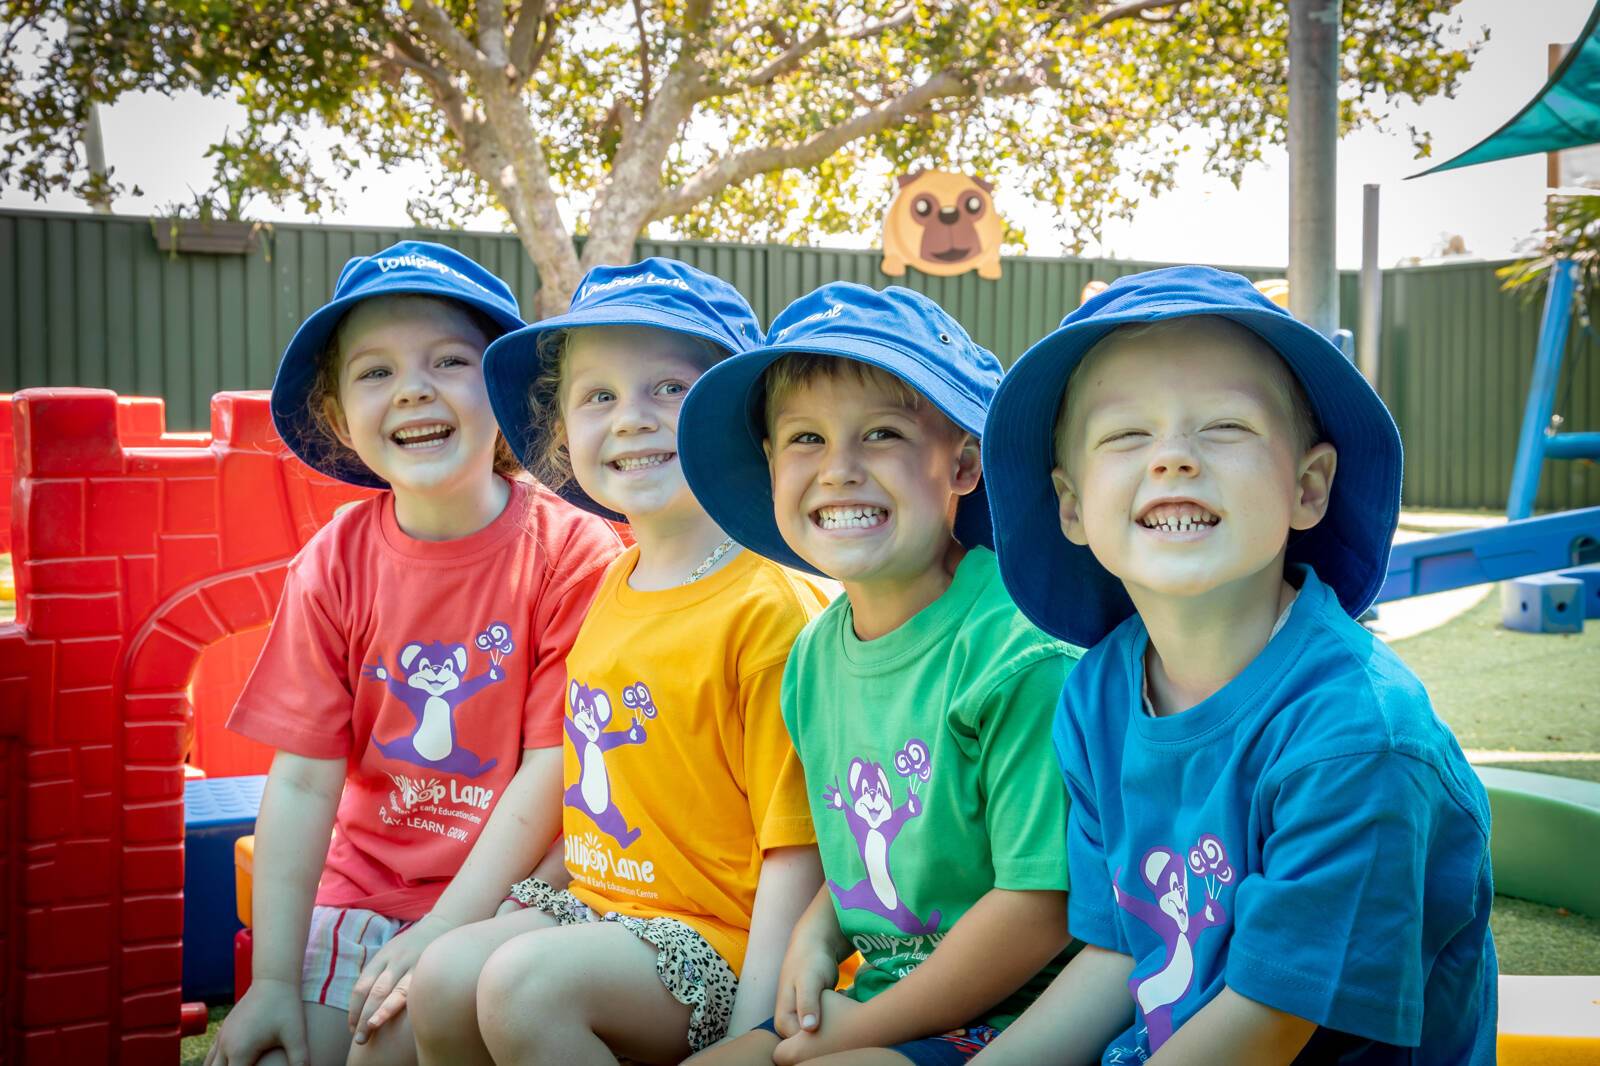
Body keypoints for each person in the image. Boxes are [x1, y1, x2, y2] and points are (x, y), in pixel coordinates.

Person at [975, 265, 1497, 1064]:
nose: (1174, 458)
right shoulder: (1098, 693)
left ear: (1308, 487)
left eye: (1224, 427)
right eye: (1126, 435)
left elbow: (1265, 1025)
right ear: (1072, 506)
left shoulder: (1359, 736)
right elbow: (1121, 952)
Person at [208, 242, 622, 1066]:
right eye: (374, 372)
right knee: (290, 1050)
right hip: (364, 882)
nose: (413, 389)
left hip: (512, 891)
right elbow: (300, 778)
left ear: (504, 393)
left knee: (387, 1050)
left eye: (450, 361)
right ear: (336, 417)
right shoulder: (334, 561)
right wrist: (273, 980)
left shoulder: (571, 552)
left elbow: (553, 772)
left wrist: (442, 929)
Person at [404, 258, 826, 1065]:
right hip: (599, 907)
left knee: (524, 985)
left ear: (736, 424)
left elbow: (797, 848)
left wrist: (752, 1033)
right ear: (563, 433)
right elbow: (602, 787)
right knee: (445, 975)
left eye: (668, 389)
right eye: (598, 396)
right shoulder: (609, 581)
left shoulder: (769, 606)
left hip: (720, 941)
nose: (630, 419)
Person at [677, 283, 1082, 1066]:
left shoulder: (1019, 653)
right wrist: (819, 929)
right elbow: (885, 838)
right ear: (770, 466)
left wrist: (865, 1028)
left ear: (963, 463)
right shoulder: (813, 657)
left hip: (1014, 1020)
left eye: (882, 434)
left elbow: (1040, 905)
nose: (839, 471)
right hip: (880, 999)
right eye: (805, 440)